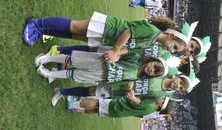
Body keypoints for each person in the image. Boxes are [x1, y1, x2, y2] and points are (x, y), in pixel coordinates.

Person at [23, 13, 191, 63]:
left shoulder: (153, 40)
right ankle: (36, 24)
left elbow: (130, 47)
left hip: (107, 38)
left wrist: (117, 54)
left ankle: (43, 30)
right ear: (171, 35)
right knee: (73, 26)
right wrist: (115, 50)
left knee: (73, 35)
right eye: (175, 46)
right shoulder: (152, 31)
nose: (172, 50)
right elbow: (127, 33)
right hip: (109, 27)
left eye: (175, 51)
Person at [35, 50, 171, 84]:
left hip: (102, 76)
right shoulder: (138, 58)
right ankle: (47, 58)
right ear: (152, 60)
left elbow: (120, 81)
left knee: (74, 74)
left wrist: (102, 81)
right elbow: (126, 50)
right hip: (102, 62)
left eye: (153, 72)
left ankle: (49, 74)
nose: (151, 70)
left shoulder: (138, 77)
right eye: (153, 66)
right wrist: (117, 54)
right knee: (74, 60)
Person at [51, 75, 191, 106]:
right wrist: (130, 81)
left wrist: (134, 98)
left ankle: (61, 91)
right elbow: (142, 68)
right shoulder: (161, 72)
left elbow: (142, 103)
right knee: (86, 74)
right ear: (178, 77)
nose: (177, 87)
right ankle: (59, 69)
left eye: (180, 89)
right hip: (119, 78)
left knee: (91, 91)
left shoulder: (160, 95)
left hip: (118, 92)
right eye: (180, 83)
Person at [66, 91, 173, 119]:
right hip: (118, 112)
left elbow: (138, 102)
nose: (161, 98)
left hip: (118, 106)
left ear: (162, 104)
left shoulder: (150, 106)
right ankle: (77, 109)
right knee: (96, 110)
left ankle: (73, 104)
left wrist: (132, 96)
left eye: (163, 99)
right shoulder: (151, 110)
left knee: (96, 104)